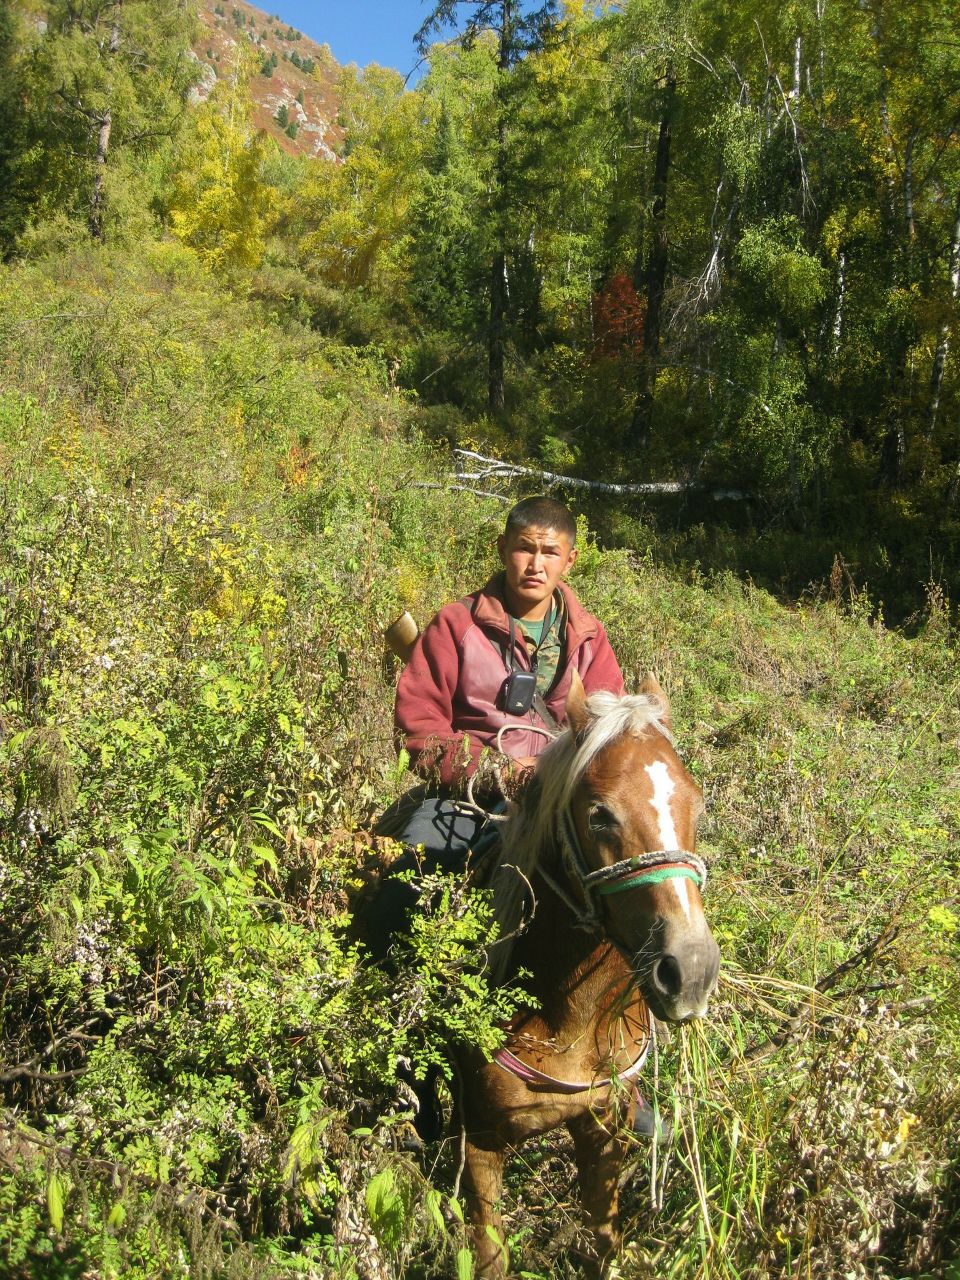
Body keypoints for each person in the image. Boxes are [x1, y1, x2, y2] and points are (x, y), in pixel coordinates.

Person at [366, 495, 624, 954]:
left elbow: (610, 734)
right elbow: (421, 730)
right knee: (410, 877)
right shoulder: (455, 624)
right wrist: (498, 771)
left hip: (561, 805)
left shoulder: (590, 638)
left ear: (570, 560)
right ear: (502, 547)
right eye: (525, 548)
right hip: (466, 802)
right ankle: (376, 989)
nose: (536, 565)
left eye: (550, 553)